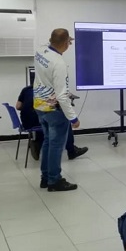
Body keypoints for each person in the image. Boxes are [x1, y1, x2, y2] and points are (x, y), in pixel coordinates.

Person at [34, 28, 80, 191]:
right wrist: (73, 118)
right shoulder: (59, 63)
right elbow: (62, 95)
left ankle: (45, 177)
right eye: (69, 42)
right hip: (54, 109)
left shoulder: (40, 52)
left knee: (48, 142)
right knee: (56, 146)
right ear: (66, 43)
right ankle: (54, 181)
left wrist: (62, 39)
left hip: (40, 105)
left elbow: (53, 41)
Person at [16, 84, 88, 161]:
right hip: (39, 121)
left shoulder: (26, 90)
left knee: (43, 119)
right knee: (65, 121)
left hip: (26, 123)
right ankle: (71, 151)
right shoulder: (47, 91)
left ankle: (38, 143)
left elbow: (18, 106)